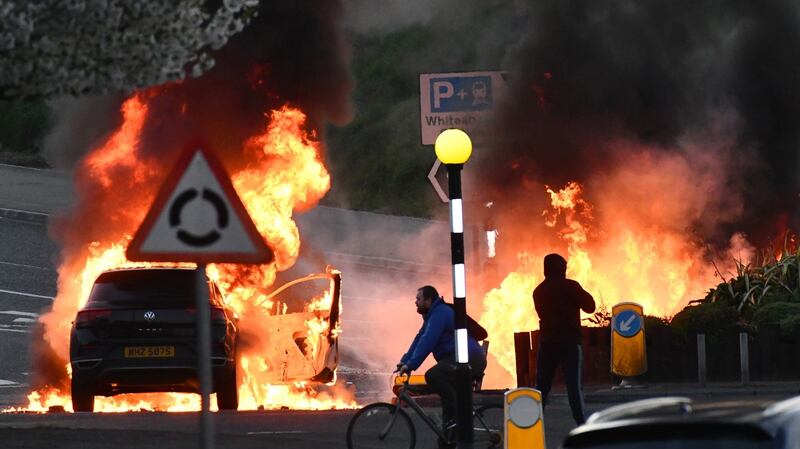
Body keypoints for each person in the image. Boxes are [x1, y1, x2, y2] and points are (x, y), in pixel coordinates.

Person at [396, 285, 487, 437]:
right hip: (459, 359)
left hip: (469, 358)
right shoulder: (432, 316)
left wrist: (411, 364)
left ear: (428, 300)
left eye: (418, 299)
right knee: (446, 398)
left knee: (434, 375)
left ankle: (459, 416)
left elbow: (428, 341)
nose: (415, 302)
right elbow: (419, 338)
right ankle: (449, 435)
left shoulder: (440, 313)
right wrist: (405, 361)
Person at [533, 253, 595, 425]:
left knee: (541, 387)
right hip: (569, 342)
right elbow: (590, 306)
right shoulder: (571, 287)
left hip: (547, 343)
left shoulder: (538, 291)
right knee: (574, 386)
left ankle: (533, 424)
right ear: (562, 269)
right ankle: (581, 424)